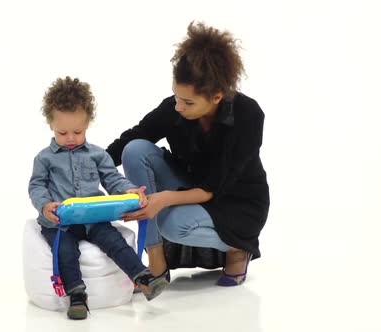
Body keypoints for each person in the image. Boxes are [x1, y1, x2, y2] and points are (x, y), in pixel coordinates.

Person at [106, 22, 270, 287]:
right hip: (191, 185)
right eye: (176, 97)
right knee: (135, 149)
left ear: (217, 96)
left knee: (174, 224)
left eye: (188, 102)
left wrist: (164, 199)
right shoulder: (175, 108)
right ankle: (156, 260)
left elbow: (214, 186)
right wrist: (90, 166)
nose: (178, 107)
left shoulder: (247, 115)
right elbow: (134, 135)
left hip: (236, 203)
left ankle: (237, 247)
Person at [28, 77, 169, 320]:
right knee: (65, 250)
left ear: (88, 124)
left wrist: (129, 190)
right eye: (63, 132)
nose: (71, 137)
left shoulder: (97, 154)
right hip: (61, 223)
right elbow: (37, 186)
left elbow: (112, 178)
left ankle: (143, 278)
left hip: (93, 217)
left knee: (114, 241)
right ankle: (77, 296)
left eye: (78, 131)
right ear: (50, 124)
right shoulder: (44, 159)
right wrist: (45, 206)